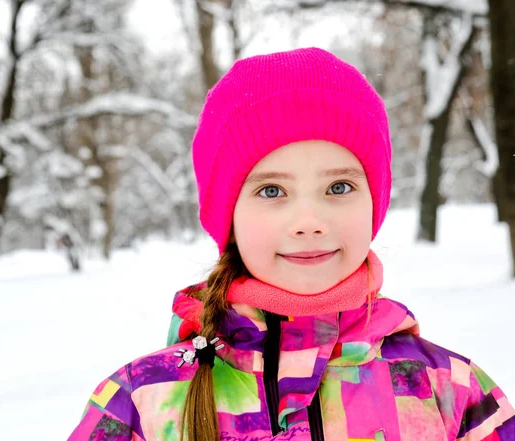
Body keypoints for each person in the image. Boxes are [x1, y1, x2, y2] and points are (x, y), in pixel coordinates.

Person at [66, 48, 514, 441]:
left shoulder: (449, 391)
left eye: (338, 188)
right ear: (229, 218)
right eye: (272, 191)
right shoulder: (142, 403)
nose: (309, 222)